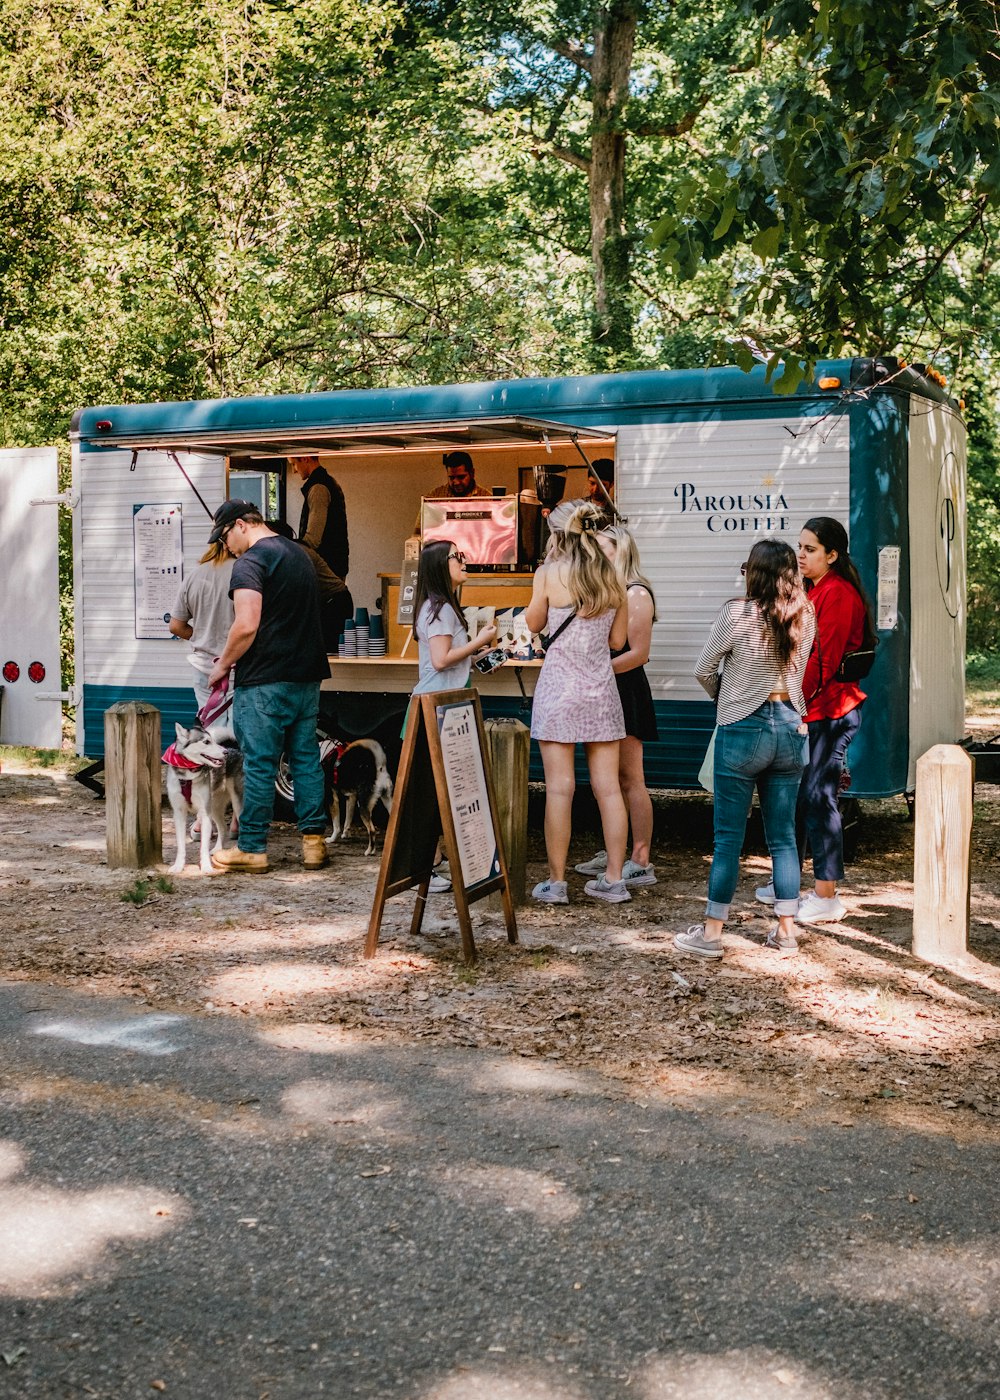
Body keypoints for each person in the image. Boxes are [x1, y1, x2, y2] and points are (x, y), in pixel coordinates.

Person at [675, 538, 815, 960]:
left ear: (752, 573)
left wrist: (729, 697)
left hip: (742, 729)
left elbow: (703, 668)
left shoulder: (737, 612)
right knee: (784, 838)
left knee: (728, 839)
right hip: (791, 725)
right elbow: (800, 672)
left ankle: (713, 933)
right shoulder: (805, 614)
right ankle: (786, 932)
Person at [756, 517, 874, 924]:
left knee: (819, 797)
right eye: (800, 547)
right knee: (796, 796)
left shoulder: (838, 594)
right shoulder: (816, 590)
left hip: (831, 711)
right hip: (814, 709)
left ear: (832, 555)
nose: (800, 555)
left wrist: (791, 700)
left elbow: (821, 662)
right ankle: (788, 881)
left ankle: (827, 895)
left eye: (810, 549)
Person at [205, 501, 331, 874]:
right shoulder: (300, 555)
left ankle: (253, 848)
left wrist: (223, 664)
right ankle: (314, 844)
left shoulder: (250, 563)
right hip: (306, 676)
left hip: (265, 680)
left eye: (225, 536)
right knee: (306, 760)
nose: (225, 546)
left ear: (242, 525)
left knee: (259, 763)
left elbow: (246, 625)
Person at [525, 499, 630, 905]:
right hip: (601, 691)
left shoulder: (548, 574)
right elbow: (617, 642)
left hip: (559, 692)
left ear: (557, 535)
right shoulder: (613, 579)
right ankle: (615, 879)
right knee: (608, 790)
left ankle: (556, 882)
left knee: (559, 790)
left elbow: (534, 624)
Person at [409, 539, 497, 891]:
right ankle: (425, 868)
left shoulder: (441, 607)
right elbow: (442, 659)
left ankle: (433, 862)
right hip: (435, 707)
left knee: (438, 787)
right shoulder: (440, 608)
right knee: (432, 789)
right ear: (438, 566)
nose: (463, 560)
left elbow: (449, 659)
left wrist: (481, 655)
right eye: (456, 556)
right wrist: (480, 640)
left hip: (441, 703)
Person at [575, 524, 659, 888]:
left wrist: (595, 670)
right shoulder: (607, 591)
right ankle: (615, 851)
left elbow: (638, 654)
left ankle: (640, 859)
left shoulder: (636, 593)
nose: (595, 556)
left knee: (630, 778)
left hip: (624, 690)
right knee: (605, 779)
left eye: (603, 549)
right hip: (604, 688)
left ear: (621, 551)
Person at [289, 456, 354, 651]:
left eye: (294, 463)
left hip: (326, 573)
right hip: (337, 568)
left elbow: (313, 538)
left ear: (306, 459)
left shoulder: (318, 488)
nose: (293, 470)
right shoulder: (329, 483)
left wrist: (292, 550)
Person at [168, 539, 235, 712]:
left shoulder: (194, 575)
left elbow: (176, 626)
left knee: (210, 730)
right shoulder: (245, 572)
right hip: (238, 667)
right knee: (237, 732)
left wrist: (203, 635)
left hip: (203, 667)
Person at [424, 450, 493, 502]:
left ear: (472, 473)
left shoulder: (487, 499)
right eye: (451, 478)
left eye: (461, 477)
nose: (456, 482)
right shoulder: (434, 497)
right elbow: (422, 521)